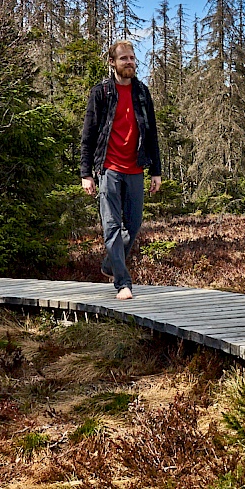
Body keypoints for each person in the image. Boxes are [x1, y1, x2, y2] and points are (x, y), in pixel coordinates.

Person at [80, 40, 162, 300]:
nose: (129, 62)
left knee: (134, 225)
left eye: (132, 58)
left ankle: (109, 265)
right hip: (109, 168)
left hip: (135, 168)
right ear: (112, 63)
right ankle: (123, 283)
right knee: (112, 226)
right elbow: (89, 135)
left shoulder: (142, 92)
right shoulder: (101, 92)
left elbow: (151, 135)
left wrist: (156, 171)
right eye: (124, 58)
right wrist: (86, 173)